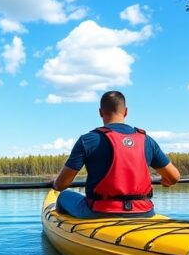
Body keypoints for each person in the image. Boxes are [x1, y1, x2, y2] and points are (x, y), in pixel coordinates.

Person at [52, 90, 180, 218]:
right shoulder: (147, 140)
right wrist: (164, 180)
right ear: (126, 111)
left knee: (64, 195)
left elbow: (60, 185)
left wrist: (55, 182)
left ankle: (62, 224)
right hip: (144, 211)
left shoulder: (88, 140)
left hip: (100, 211)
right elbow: (174, 177)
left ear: (100, 112)